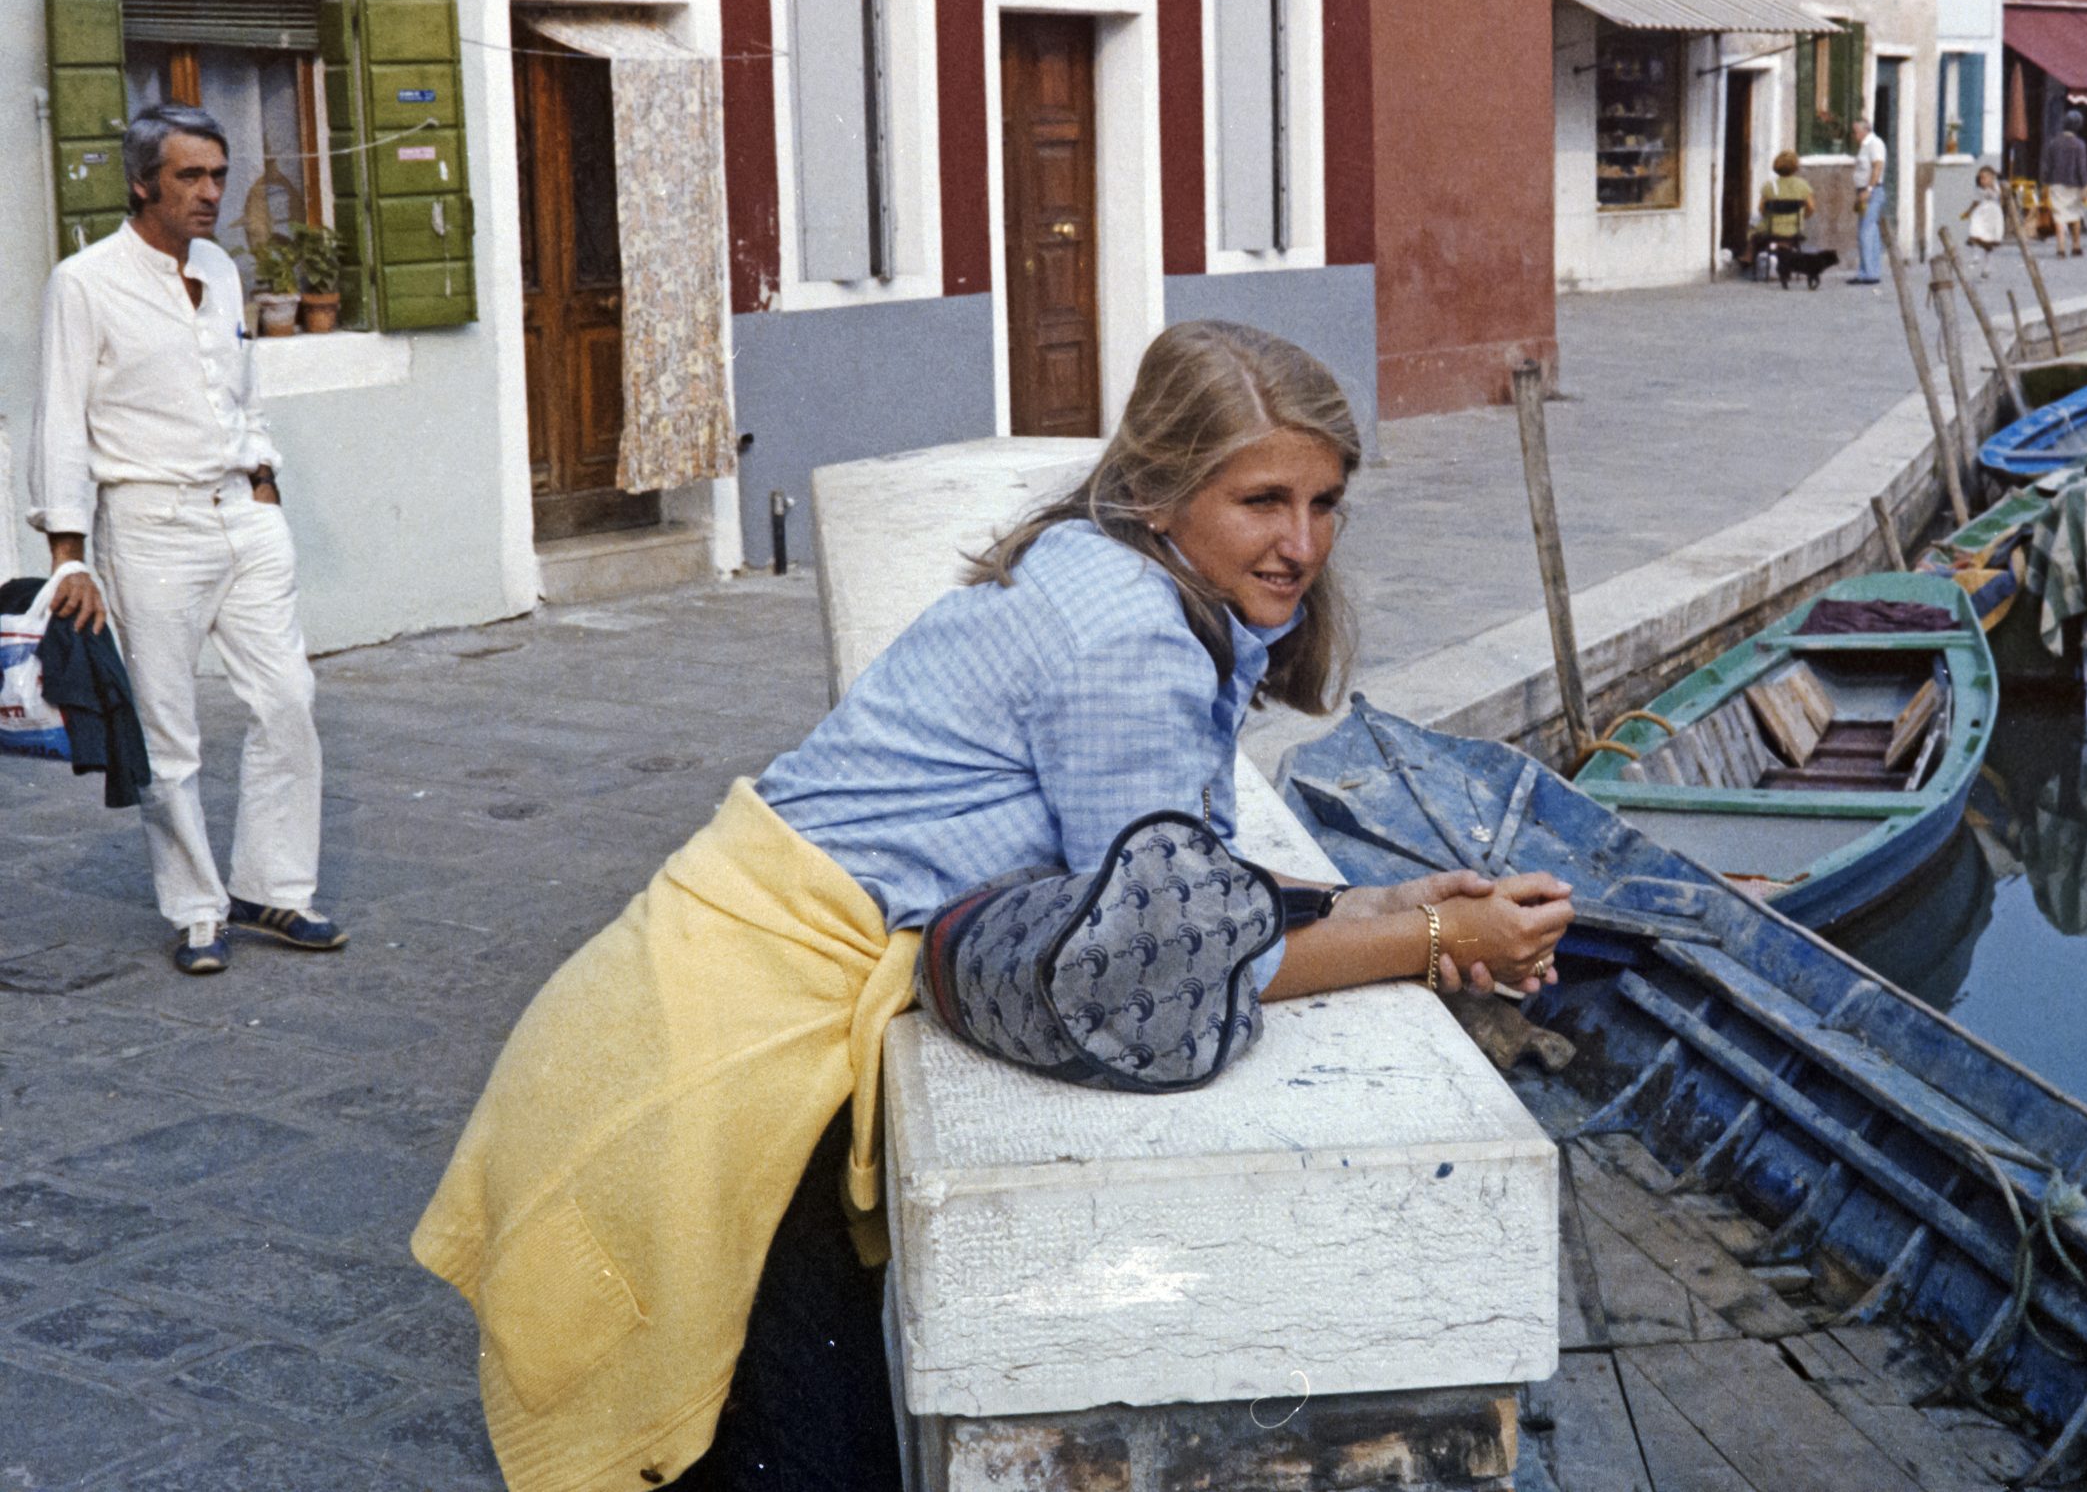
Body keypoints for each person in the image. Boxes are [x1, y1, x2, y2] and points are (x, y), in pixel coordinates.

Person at [412, 320, 1577, 1492]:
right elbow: (1173, 964)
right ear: (1160, 492)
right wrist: (1433, 940)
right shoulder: (1132, 637)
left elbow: (1184, 891)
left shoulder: (1096, 561)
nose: (1301, 544)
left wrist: (1383, 902)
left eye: (1324, 504)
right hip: (718, 1052)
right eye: (1261, 501)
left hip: (707, 1004)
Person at [28, 103, 337, 977]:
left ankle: (274, 885)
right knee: (168, 730)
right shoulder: (84, 282)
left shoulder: (221, 269)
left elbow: (242, 387)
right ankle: (198, 909)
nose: (210, 192)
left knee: (288, 700)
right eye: (189, 176)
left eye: (218, 175)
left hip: (244, 514)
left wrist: (264, 478)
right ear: (141, 183)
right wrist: (70, 557)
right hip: (151, 526)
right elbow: (59, 422)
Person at [1747, 149, 1816, 270]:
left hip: (1772, 229)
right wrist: (1803, 216)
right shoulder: (1803, 185)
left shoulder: (1769, 186)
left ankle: (1749, 256)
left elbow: (1761, 209)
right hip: (1794, 229)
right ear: (1795, 167)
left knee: (1753, 229)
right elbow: (1811, 208)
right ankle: (1785, 248)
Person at [2040, 109, 2087, 259]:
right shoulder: (2080, 145)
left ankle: (2061, 248)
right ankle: (2076, 246)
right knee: (2075, 215)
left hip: (2056, 183)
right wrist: (2085, 185)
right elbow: (2082, 167)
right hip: (2075, 184)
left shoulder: (2053, 143)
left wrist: (2044, 183)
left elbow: (2047, 165)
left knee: (2059, 217)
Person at [1848, 113, 1889, 285]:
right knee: (1867, 231)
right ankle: (1867, 270)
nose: (1854, 135)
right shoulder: (1864, 146)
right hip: (1863, 191)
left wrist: (1869, 189)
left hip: (1872, 191)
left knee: (1867, 231)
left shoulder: (1875, 144)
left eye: (1856, 131)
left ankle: (1870, 273)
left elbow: (1877, 167)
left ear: (1864, 130)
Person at [1960, 165, 2006, 279]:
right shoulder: (1978, 189)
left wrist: (1992, 186)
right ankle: (1975, 255)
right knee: (1974, 230)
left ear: (1991, 178)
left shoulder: (1996, 187)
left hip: (1993, 214)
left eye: (1984, 178)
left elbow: (2000, 198)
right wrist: (1968, 212)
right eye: (1980, 178)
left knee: (1988, 242)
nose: (1982, 181)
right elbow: (1976, 201)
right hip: (1981, 212)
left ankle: (1987, 267)